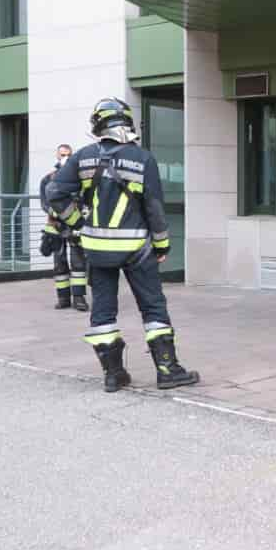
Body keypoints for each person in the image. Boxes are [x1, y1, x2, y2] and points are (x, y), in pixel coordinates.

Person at [46, 97, 199, 393]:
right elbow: (154, 207)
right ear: (127, 122)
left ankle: (114, 375)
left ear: (98, 125)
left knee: (103, 311)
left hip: (97, 249)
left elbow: (55, 193)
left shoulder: (83, 157)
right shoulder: (142, 158)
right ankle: (168, 371)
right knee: (153, 306)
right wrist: (162, 246)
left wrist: (78, 224)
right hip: (136, 250)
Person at [39, 144, 88, 312]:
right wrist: (58, 213)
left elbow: (84, 201)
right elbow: (45, 203)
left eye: (68, 154)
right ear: (57, 156)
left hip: (75, 226)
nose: (65, 157)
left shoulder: (79, 179)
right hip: (56, 226)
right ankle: (63, 298)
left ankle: (79, 298)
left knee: (78, 263)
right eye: (62, 154)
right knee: (59, 264)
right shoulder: (48, 179)